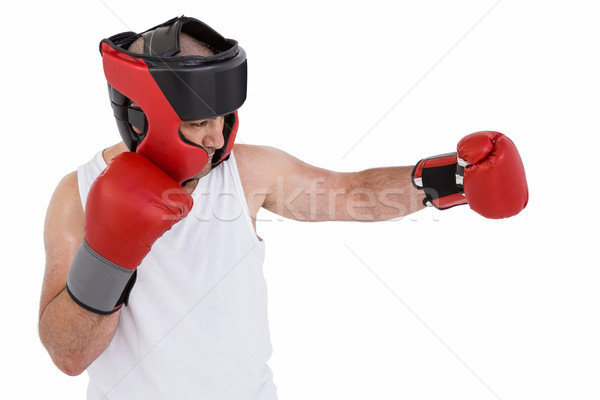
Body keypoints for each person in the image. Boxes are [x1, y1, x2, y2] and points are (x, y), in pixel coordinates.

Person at [38, 16, 528, 399]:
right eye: (199, 123)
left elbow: (352, 194)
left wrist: (451, 177)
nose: (218, 138)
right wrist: (109, 255)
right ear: (142, 118)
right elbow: (68, 355)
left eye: (224, 118)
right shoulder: (77, 193)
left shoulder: (247, 172)